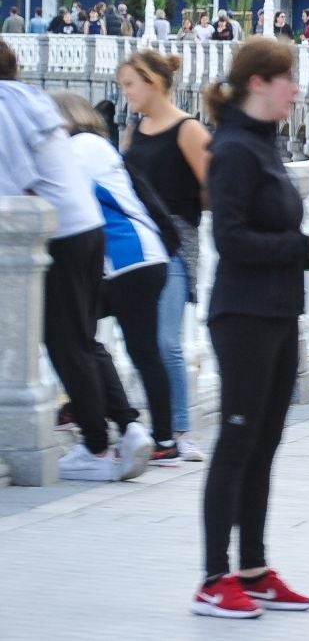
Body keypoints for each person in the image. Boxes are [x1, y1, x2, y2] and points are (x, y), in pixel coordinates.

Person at [193, 40, 309, 619]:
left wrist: (300, 253)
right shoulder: (231, 149)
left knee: (264, 442)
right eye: (288, 79)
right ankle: (211, 578)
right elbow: (227, 239)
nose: (296, 89)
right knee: (236, 441)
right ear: (258, 82)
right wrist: (303, 248)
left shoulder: (263, 144)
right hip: (243, 317)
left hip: (278, 313)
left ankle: (251, 568)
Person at [0, 41, 153, 482]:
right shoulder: (30, 98)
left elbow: (16, 188)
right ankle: (129, 427)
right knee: (84, 340)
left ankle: (96, 447)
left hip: (60, 233)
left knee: (65, 343)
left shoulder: (5, 106)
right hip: (88, 227)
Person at [52, 91, 180, 466]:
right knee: (81, 332)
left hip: (129, 260)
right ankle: (90, 406)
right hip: (138, 257)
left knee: (138, 351)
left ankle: (165, 438)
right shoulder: (99, 145)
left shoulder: (80, 147)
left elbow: (57, 192)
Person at [119, 49, 213, 463]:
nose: (126, 94)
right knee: (139, 339)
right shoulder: (134, 130)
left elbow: (213, 188)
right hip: (139, 245)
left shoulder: (189, 130)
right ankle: (154, 427)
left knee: (166, 339)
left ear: (153, 83)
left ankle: (180, 429)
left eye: (129, 85)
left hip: (175, 242)